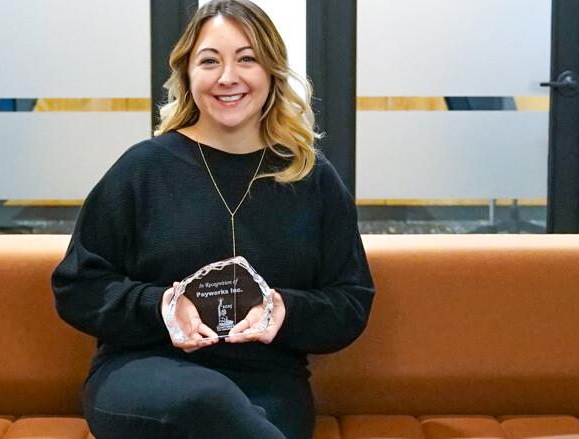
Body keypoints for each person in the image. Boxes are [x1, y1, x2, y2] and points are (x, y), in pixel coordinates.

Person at [51, 1, 374, 438]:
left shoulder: (312, 178)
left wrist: (284, 311)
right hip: (146, 370)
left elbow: (351, 302)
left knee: (237, 417)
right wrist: (162, 307)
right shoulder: (142, 168)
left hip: (268, 382)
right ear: (187, 75)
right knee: (207, 401)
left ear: (272, 72)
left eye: (247, 59)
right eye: (210, 61)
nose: (227, 77)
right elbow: (78, 286)